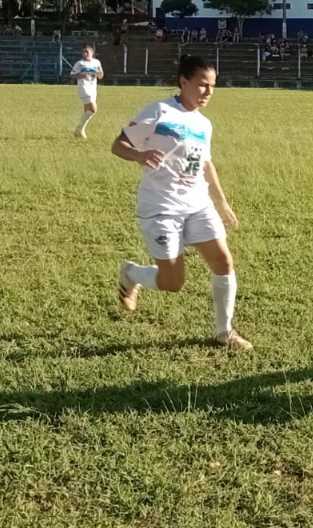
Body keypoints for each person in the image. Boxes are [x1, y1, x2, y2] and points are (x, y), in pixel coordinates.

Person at [112, 55, 252, 351]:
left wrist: (222, 202)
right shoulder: (159, 111)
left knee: (223, 261)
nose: (208, 92)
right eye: (202, 85)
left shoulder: (204, 124)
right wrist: (139, 155)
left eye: (212, 86)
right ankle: (132, 274)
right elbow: (118, 144)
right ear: (183, 81)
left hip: (198, 203)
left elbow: (205, 164)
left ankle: (224, 332)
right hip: (161, 207)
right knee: (173, 283)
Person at [70, 45, 105, 138]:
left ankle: (80, 131)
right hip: (83, 87)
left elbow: (101, 75)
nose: (85, 54)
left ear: (92, 53)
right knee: (93, 109)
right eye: (83, 52)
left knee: (87, 109)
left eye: (87, 52)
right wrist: (82, 75)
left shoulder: (96, 62)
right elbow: (72, 75)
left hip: (93, 87)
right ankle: (79, 129)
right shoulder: (80, 63)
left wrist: (97, 74)